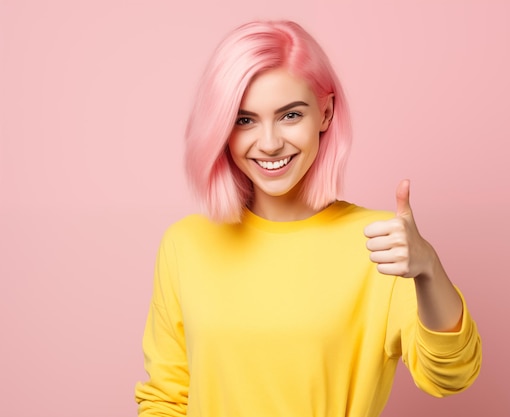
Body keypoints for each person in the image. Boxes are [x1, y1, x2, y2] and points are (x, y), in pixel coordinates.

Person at [135, 20, 481, 417]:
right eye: (244, 120)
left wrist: (429, 270)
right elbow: (166, 398)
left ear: (326, 113)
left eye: (290, 116)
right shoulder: (186, 244)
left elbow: (451, 376)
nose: (269, 143)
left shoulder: (381, 244)